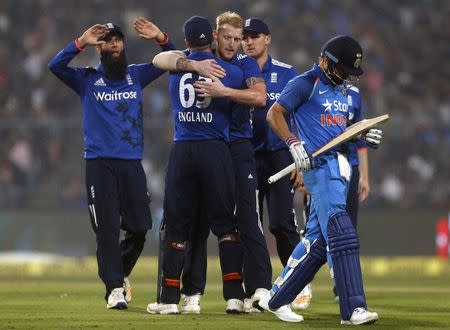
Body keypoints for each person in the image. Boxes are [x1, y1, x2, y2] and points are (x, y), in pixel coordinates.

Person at [48, 19, 175, 309]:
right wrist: (80, 41)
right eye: (106, 40)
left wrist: (161, 37)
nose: (114, 44)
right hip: (99, 165)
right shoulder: (87, 78)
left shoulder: (136, 75)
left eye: (117, 39)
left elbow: (176, 61)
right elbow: (55, 66)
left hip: (131, 165)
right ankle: (114, 289)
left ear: (124, 44)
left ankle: (119, 273)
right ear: (99, 47)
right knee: (106, 230)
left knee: (141, 227)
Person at [258, 35, 382, 325]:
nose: (345, 77)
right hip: (319, 169)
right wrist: (293, 142)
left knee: (315, 245)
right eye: (342, 70)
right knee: (343, 235)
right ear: (325, 60)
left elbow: (343, 132)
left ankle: (276, 299)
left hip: (340, 169)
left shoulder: (343, 92)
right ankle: (353, 309)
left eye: (349, 73)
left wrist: (364, 134)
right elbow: (274, 114)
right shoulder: (305, 83)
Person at [153, 12, 272, 314]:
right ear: (215, 37)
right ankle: (230, 294)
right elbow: (258, 95)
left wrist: (188, 62)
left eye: (237, 39)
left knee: (180, 224)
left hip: (188, 151)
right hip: (216, 150)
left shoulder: (179, 65)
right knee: (224, 226)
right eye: (228, 38)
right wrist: (211, 76)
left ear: (187, 42)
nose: (233, 43)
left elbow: (160, 61)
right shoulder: (228, 71)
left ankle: (169, 299)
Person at [294, 86, 371, 309]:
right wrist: (304, 169)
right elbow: (300, 127)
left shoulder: (355, 93)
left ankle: (342, 286)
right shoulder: (313, 88)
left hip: (349, 166)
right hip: (321, 165)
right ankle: (301, 284)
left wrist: (364, 175)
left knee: (347, 231)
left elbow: (360, 137)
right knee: (317, 232)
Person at [241, 18, 302, 268]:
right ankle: (256, 287)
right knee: (249, 225)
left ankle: (295, 282)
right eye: (244, 37)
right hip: (247, 157)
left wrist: (300, 158)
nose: (248, 42)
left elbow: (300, 116)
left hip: (280, 157)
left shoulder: (287, 73)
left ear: (267, 39)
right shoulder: (236, 71)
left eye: (254, 36)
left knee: (281, 224)